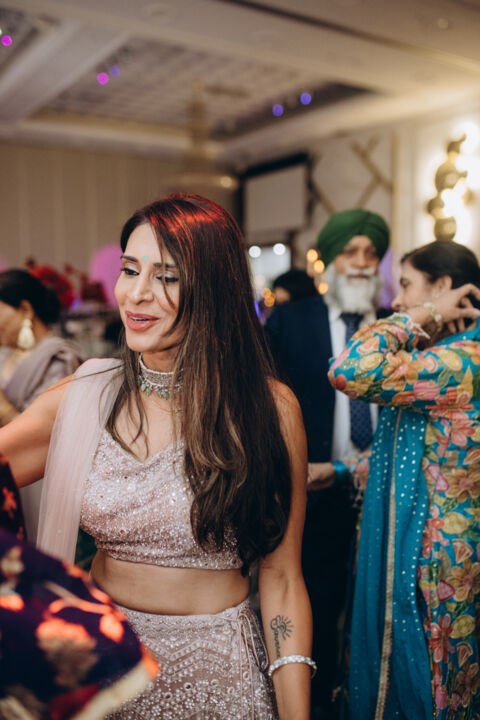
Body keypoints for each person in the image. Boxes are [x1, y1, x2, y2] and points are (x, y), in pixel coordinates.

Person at [0, 194, 313, 719]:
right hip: (108, 675)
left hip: (221, 680)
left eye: (166, 277)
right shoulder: (87, 396)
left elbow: (281, 579)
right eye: (130, 270)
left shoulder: (269, 410)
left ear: (215, 291)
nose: (136, 294)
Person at [329, 239, 480, 720]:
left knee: (432, 691)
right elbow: (423, 454)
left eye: (408, 286)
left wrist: (425, 313)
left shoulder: (463, 361)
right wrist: (336, 471)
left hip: (436, 567)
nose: (396, 301)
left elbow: (350, 368)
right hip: (425, 553)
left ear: (442, 287)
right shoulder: (441, 356)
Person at [265, 208, 389, 719]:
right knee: (315, 600)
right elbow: (264, 400)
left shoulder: (394, 326)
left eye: (371, 253)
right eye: (350, 252)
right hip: (312, 490)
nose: (361, 262)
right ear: (331, 260)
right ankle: (313, 704)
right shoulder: (293, 320)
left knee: (374, 610)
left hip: (384, 493)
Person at [0, 269, 83, 540]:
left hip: (37, 478)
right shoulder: (4, 354)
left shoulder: (59, 358)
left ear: (25, 309)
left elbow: (49, 434)